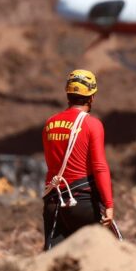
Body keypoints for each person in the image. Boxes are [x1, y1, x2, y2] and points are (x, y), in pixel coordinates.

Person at [41, 69, 114, 250]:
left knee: (54, 262)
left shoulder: (50, 123)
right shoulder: (92, 124)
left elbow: (51, 163)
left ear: (68, 94)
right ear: (91, 97)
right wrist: (109, 204)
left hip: (54, 201)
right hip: (82, 203)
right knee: (105, 256)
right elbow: (99, 166)